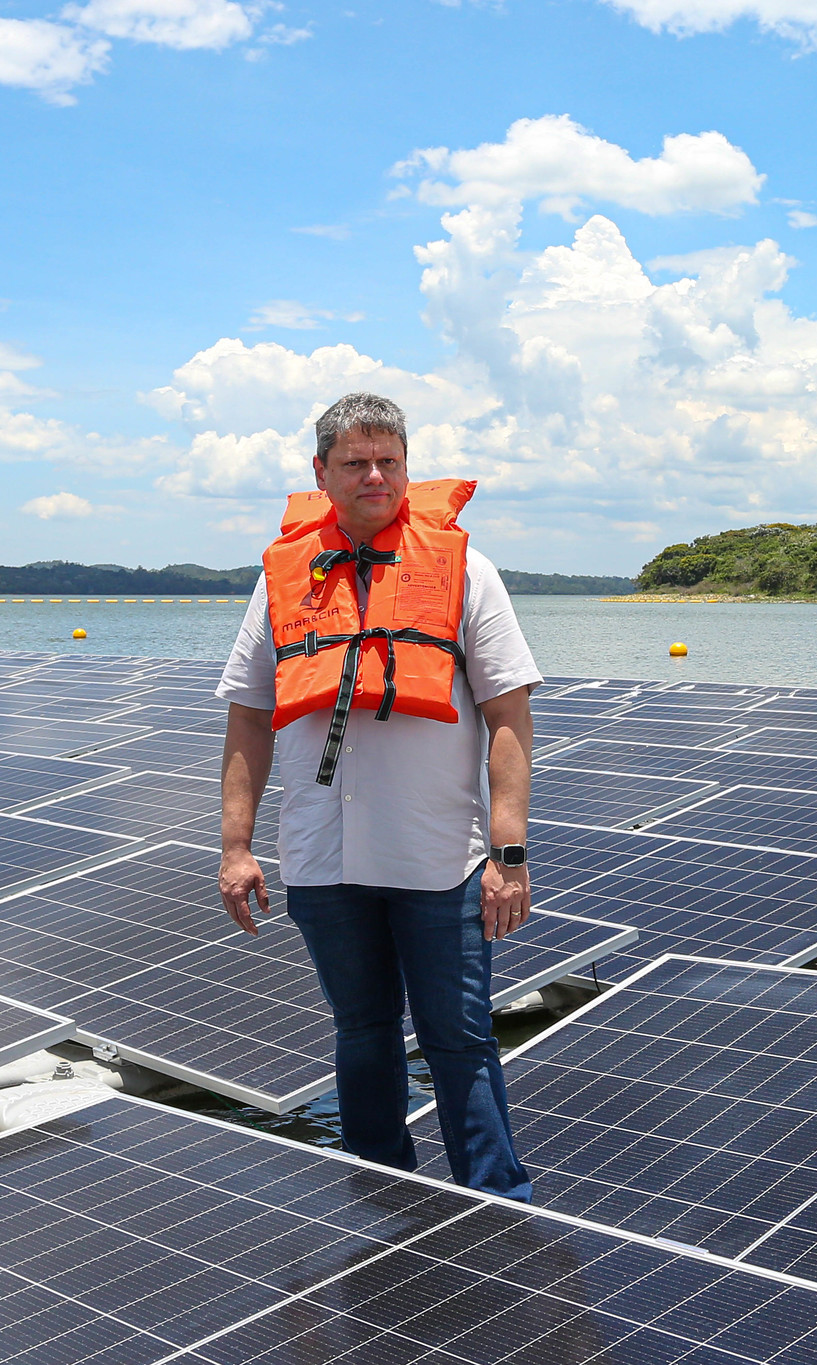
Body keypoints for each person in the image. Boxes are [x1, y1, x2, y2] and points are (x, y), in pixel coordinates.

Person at [215, 391, 542, 1201]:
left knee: (459, 1038)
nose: (375, 476)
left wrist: (510, 855)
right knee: (361, 1034)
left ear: (407, 468)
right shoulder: (280, 581)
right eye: (356, 462)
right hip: (324, 859)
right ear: (320, 470)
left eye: (389, 462)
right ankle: (384, 1206)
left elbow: (509, 716)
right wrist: (235, 844)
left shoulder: (468, 571)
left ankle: (495, 1208)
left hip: (440, 860)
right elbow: (250, 716)